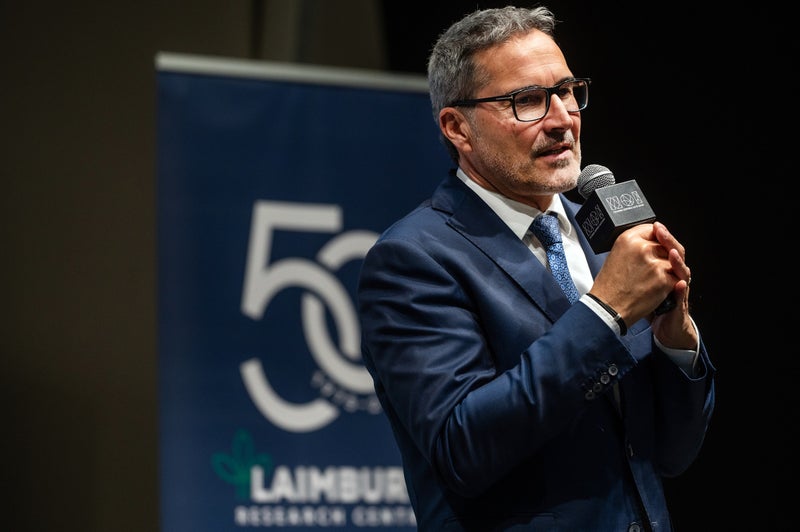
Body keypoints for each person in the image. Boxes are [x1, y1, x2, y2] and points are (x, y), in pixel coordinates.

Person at [357, 4, 715, 531]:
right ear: (457, 127)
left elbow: (670, 454)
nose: (562, 118)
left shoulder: (605, 238)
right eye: (527, 100)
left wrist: (675, 341)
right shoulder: (413, 259)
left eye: (567, 91)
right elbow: (463, 448)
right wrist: (605, 313)